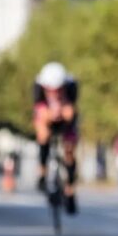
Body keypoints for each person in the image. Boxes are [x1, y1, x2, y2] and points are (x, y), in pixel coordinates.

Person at [33, 62, 79, 215]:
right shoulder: (38, 88)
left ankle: (69, 191)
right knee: (43, 134)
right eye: (50, 90)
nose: (54, 93)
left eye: (57, 89)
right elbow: (39, 110)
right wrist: (49, 114)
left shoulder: (72, 86)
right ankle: (42, 173)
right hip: (47, 116)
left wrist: (63, 113)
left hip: (65, 119)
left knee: (69, 151)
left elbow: (72, 111)